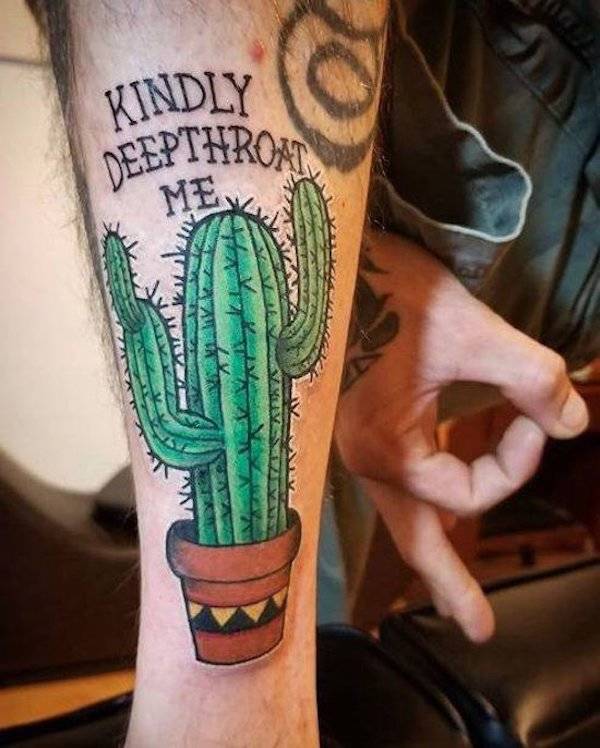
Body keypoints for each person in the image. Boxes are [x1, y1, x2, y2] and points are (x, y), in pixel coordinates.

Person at [29, 0, 596, 745]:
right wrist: (229, 712)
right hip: (475, 153)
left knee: (338, 631)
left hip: (453, 273)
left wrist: (363, 284)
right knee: (318, 633)